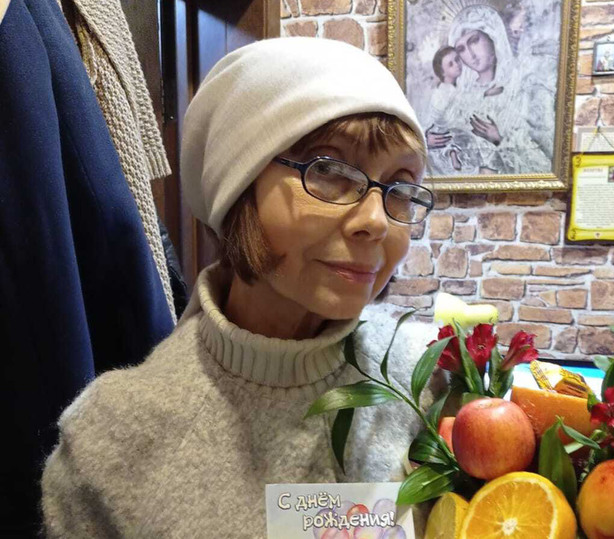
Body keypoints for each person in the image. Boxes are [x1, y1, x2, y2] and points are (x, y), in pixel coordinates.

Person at [41, 37, 439, 538]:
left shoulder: (430, 382)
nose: (377, 221)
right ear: (238, 187)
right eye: (330, 170)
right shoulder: (111, 440)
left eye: (401, 187)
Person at [425, 5, 551, 175]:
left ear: (492, 35)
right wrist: (430, 142)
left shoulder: (526, 87)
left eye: (474, 41)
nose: (470, 54)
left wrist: (499, 140)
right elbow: (448, 146)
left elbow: (546, 165)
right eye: (461, 49)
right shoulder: (461, 97)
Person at [429, 46, 469, 171]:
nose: (457, 65)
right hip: (444, 126)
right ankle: (452, 154)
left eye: (457, 60)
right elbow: (438, 115)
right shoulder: (444, 91)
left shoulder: (458, 87)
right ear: (443, 72)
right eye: (451, 64)